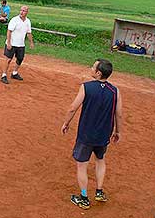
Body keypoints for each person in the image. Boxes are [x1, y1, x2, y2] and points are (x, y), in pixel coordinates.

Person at [61, 59, 122, 210]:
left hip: (86, 135)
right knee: (100, 160)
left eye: (93, 67)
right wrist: (117, 131)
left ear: (98, 73)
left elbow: (72, 108)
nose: (91, 68)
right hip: (103, 136)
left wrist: (66, 123)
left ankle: (83, 198)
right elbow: (119, 114)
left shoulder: (86, 87)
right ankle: (99, 192)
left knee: (82, 166)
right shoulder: (115, 91)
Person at [1, 5, 34, 84]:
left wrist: (31, 42)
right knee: (8, 59)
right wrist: (8, 43)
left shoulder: (27, 21)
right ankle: (4, 75)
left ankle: (14, 73)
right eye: (21, 10)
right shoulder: (14, 20)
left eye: (24, 11)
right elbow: (9, 31)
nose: (22, 12)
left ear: (27, 12)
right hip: (12, 43)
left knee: (20, 59)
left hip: (21, 44)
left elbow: (29, 33)